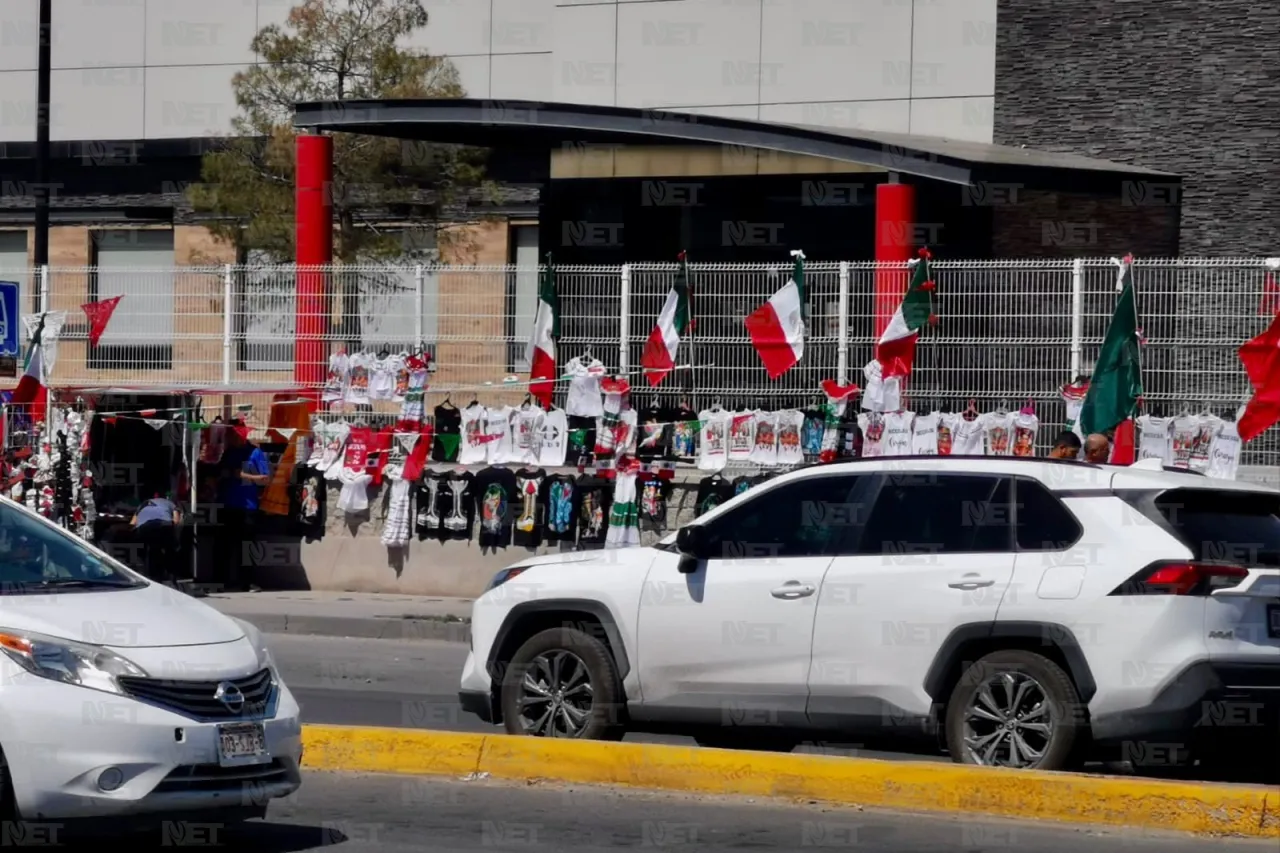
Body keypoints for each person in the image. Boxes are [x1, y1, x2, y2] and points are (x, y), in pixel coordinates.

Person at [216, 423, 271, 591]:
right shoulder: (229, 453)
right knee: (224, 546)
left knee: (247, 546)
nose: (229, 438)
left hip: (248, 506)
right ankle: (223, 581)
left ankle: (247, 582)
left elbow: (265, 478)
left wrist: (241, 475)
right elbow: (222, 473)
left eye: (232, 435)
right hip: (227, 504)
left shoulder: (256, 452)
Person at [131, 494, 181, 582]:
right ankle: (171, 577)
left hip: (145, 527)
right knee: (170, 550)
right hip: (164, 525)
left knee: (148, 550)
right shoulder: (170, 503)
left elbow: (132, 523)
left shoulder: (143, 503)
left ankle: (150, 576)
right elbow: (176, 521)